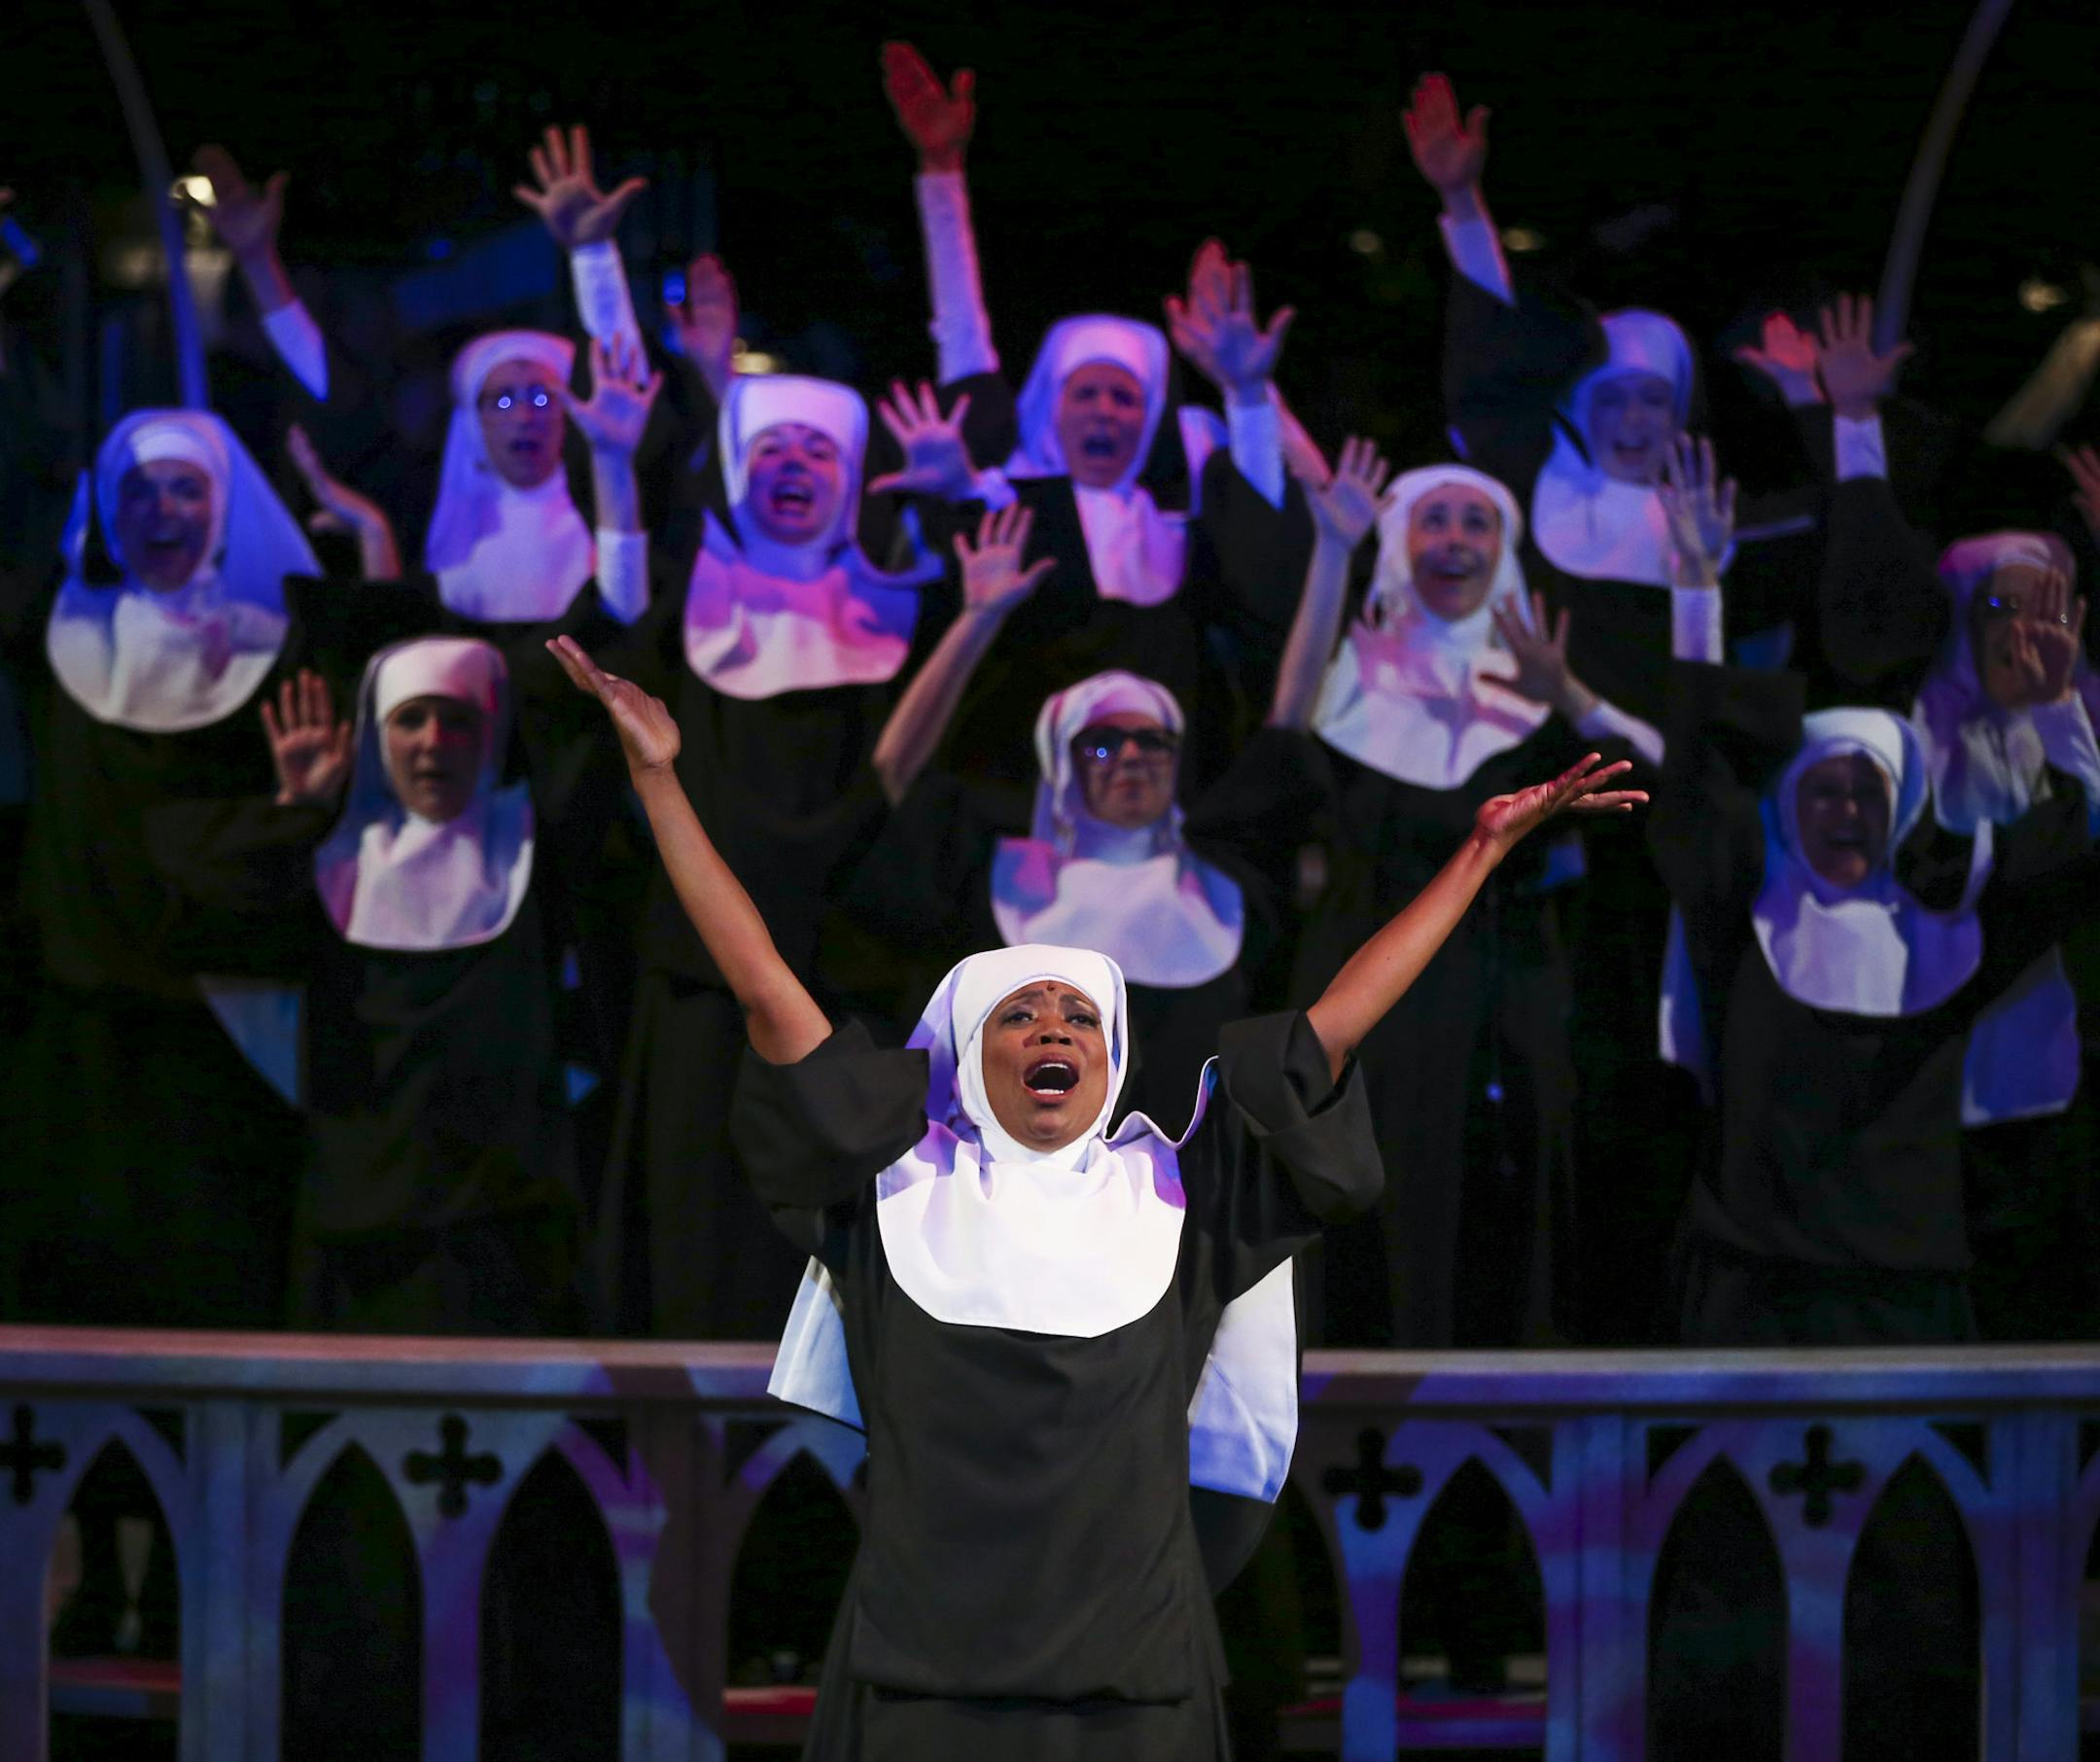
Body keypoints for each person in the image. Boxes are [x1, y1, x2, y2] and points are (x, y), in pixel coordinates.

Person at [543, 620, 1637, 1758]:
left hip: (1134, 1693)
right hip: (925, 1691)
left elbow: (1329, 1036)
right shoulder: (887, 1192)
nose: (1054, 1027)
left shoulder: (1177, 1200)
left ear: (1112, 1063)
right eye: (1020, 1012)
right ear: (969, 1058)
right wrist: (661, 781)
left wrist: (1479, 856)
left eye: (1080, 1016)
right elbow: (769, 991)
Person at [1649, 438, 2100, 1347]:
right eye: (1825, 790)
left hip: (1910, 1292)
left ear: (1901, 817)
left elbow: (2071, 854)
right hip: (1756, 1297)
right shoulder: (1744, 915)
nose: (1848, 811)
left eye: (1871, 794)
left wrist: (2054, 708)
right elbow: (1695, 779)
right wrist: (1696, 593)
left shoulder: (1945, 934)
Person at [1270, 443, 1660, 1349]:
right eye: (1431, 519)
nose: (1452, 538)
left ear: (1505, 546)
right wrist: (1333, 554)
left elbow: (1664, 790)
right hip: (1364, 993)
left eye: (1474, 520)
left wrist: (1566, 692)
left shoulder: (1538, 691)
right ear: (1400, 542)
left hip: (1504, 999)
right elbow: (1279, 745)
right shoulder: (1352, 671)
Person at [589, 370, 946, 1337]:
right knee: (698, 1233)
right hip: (702, 983)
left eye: (818, 450)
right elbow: (609, 633)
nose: (793, 466)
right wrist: (616, 471)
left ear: (854, 482)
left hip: (848, 979)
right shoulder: (686, 610)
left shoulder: (903, 619)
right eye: (769, 450)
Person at [876, 43, 1312, 793]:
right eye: (1087, 393)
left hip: (1169, 793)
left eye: (1126, 396)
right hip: (1026, 794)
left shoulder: (1180, 518)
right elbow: (963, 333)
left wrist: (1246, 390)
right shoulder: (1009, 505)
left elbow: (1282, 514)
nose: (1107, 409)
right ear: (1053, 406)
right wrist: (941, 175)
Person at [855, 498, 1331, 1136]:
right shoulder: (994, 874)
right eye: (1103, 744)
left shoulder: (1223, 890)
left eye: (1153, 741)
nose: (1132, 758)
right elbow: (893, 776)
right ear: (1061, 764)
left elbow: (1288, 725)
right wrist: (977, 618)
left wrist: (1333, 548)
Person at [163, 639, 598, 1332]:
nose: (434, 743)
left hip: (506, 1230)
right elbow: (209, 900)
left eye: (459, 721)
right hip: (361, 1224)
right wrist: (298, 807)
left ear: (493, 735)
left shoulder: (533, 856)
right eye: (411, 719)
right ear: (376, 736)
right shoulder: (333, 862)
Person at [5, 409, 322, 1325]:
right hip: (79, 1016)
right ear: (104, 509)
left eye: (187, 487)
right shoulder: (53, 632)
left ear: (222, 509)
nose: (162, 510)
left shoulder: (277, 648)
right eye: (136, 491)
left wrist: (298, 807)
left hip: (220, 1022)